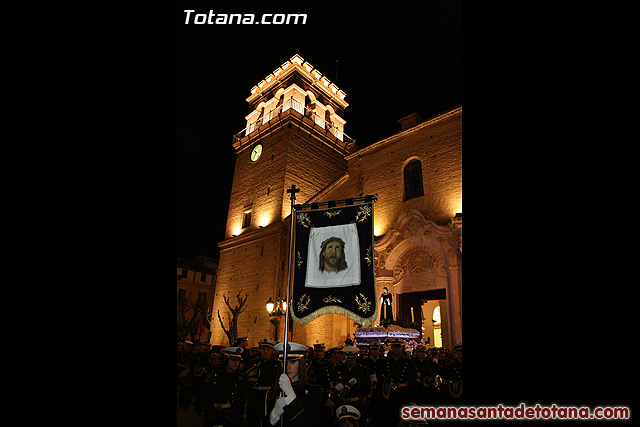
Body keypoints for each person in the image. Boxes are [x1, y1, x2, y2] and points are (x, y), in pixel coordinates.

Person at [265, 341, 323, 426]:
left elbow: (309, 423)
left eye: (292, 362)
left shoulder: (314, 392)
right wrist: (273, 416)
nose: (287, 366)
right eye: (283, 362)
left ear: (300, 363)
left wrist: (291, 396)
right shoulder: (272, 393)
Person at [202, 346, 249, 427]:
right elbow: (208, 395)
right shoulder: (216, 375)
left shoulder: (241, 379)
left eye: (237, 360)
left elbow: (240, 401)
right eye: (233, 360)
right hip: (214, 414)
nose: (236, 363)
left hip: (230, 416)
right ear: (226, 360)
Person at [378, 338, 417, 426]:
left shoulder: (408, 362)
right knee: (390, 420)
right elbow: (382, 381)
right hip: (390, 395)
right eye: (394, 347)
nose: (396, 349)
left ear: (401, 348)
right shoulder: (385, 362)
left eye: (398, 347)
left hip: (404, 394)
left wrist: (413, 400)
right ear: (391, 348)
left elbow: (412, 381)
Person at [245, 338, 279, 426]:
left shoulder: (277, 364)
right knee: (252, 419)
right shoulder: (254, 363)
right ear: (260, 350)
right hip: (254, 395)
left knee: (267, 420)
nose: (265, 351)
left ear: (272, 350)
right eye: (263, 349)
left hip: (269, 396)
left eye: (268, 349)